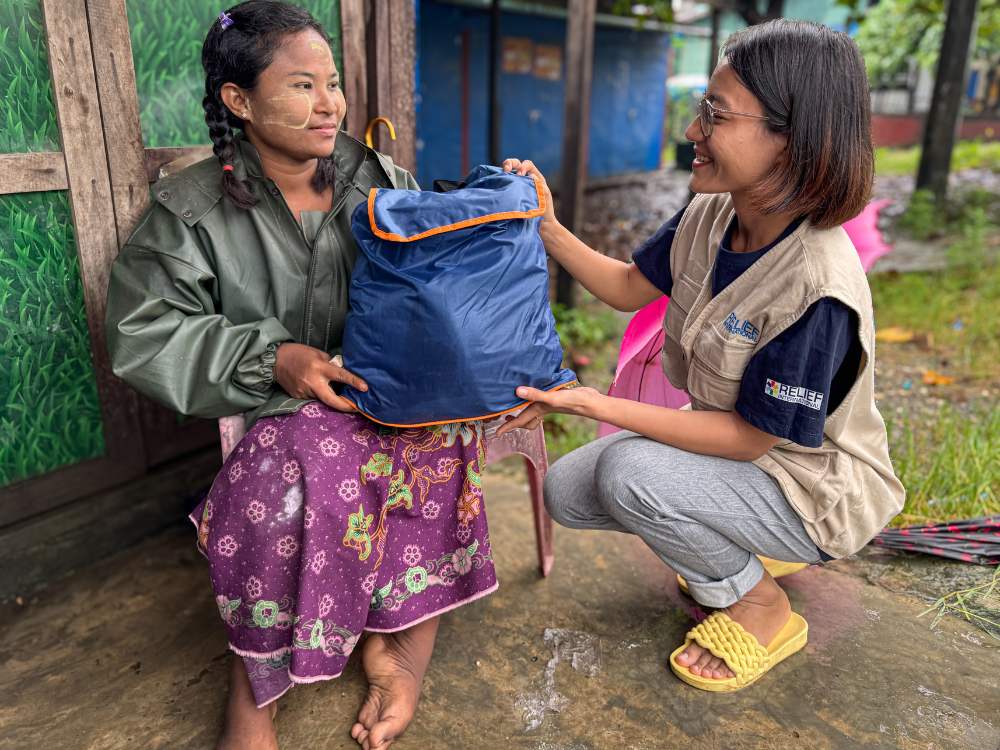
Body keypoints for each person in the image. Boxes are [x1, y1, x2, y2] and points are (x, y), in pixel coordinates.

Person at [105, 3, 496, 748]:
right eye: (302, 86)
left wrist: (490, 214)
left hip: (389, 396)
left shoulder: (378, 179)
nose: (331, 104)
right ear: (239, 101)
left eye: (334, 83)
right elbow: (143, 329)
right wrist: (272, 358)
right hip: (274, 408)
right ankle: (255, 692)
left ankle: (399, 648)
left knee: (440, 444)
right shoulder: (191, 213)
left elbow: (441, 279)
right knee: (279, 484)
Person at [498, 19, 904, 692]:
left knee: (630, 472)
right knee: (569, 493)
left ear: (792, 136)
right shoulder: (713, 214)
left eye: (715, 115)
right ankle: (732, 547)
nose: (693, 131)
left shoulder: (816, 284)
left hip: (811, 489)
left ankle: (759, 605)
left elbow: (748, 439)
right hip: (745, 465)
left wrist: (600, 403)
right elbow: (630, 288)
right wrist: (546, 227)